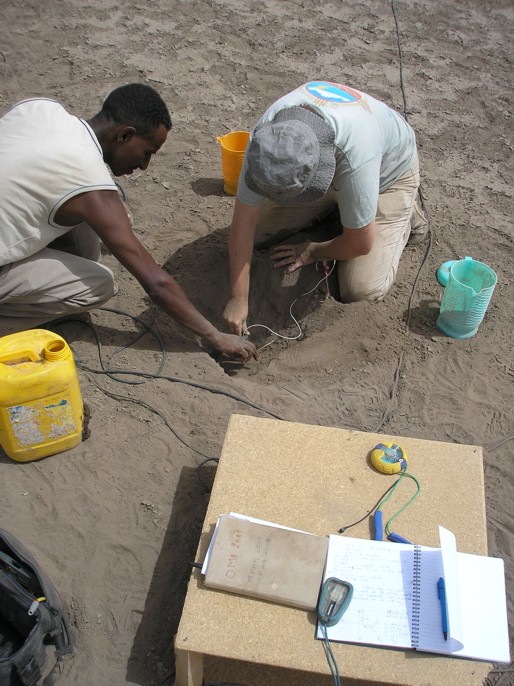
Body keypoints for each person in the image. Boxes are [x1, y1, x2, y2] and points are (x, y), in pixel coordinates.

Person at [0, 84, 257, 362]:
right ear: (125, 135)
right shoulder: (91, 188)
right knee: (99, 284)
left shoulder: (40, 107)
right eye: (147, 152)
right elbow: (156, 284)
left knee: (88, 212)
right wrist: (216, 337)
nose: (145, 165)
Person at [223, 80, 428, 337]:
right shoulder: (268, 141)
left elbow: (360, 244)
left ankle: (408, 215)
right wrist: (238, 298)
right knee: (260, 234)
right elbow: (244, 223)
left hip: (389, 176)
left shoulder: (356, 157)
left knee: (360, 288)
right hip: (341, 171)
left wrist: (313, 251)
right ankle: (347, 212)